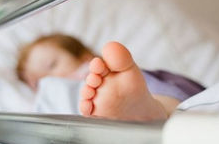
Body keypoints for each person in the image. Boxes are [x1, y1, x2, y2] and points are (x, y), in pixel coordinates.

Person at [16, 34, 205, 121]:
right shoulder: (49, 103)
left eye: (51, 65)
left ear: (85, 57)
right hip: (96, 119)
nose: (49, 80)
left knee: (127, 85)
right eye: (38, 82)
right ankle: (139, 117)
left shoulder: (101, 77)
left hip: (152, 93)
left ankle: (154, 110)